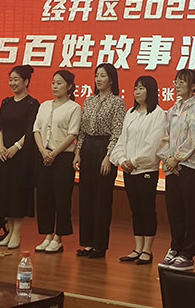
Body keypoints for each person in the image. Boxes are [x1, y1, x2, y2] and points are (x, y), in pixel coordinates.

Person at [110, 76, 166, 265]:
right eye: (135, 88)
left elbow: (154, 144)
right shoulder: (130, 112)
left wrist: (134, 161)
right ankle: (138, 247)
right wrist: (122, 160)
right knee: (135, 210)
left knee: (147, 209)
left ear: (151, 90)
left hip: (146, 169)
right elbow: (121, 140)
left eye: (142, 88)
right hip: (128, 170)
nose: (137, 92)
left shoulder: (158, 114)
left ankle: (148, 250)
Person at [157, 69, 195, 272]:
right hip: (172, 168)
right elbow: (165, 137)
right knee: (175, 210)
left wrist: (176, 158)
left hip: (191, 166)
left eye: (182, 82)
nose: (177, 85)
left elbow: (194, 138)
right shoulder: (173, 109)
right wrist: (168, 160)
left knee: (191, 211)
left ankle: (188, 253)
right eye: (176, 81)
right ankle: (175, 248)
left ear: (193, 86)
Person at [74, 63, 126, 259]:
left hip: (105, 149)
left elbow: (117, 132)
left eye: (103, 76)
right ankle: (87, 243)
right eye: (96, 75)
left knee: (102, 200)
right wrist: (78, 152)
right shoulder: (89, 101)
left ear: (111, 79)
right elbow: (82, 130)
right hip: (88, 148)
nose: (98, 79)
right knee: (86, 197)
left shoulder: (117, 103)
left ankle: (100, 246)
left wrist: (108, 156)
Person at [33, 70, 81, 254]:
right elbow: (36, 129)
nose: (55, 86)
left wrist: (54, 153)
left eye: (59, 83)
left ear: (69, 86)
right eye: (53, 82)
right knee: (44, 197)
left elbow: (72, 134)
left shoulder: (74, 108)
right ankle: (47, 235)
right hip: (43, 154)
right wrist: (43, 151)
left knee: (62, 198)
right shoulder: (44, 105)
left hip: (63, 157)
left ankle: (58, 237)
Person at [0, 65, 40, 249]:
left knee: (17, 194)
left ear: (26, 81)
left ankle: (17, 234)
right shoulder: (6, 102)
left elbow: (31, 130)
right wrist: (1, 147)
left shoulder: (32, 104)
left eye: (16, 79)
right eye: (10, 79)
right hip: (4, 154)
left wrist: (16, 147)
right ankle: (9, 232)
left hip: (21, 156)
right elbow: (0, 127)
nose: (12, 83)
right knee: (5, 193)